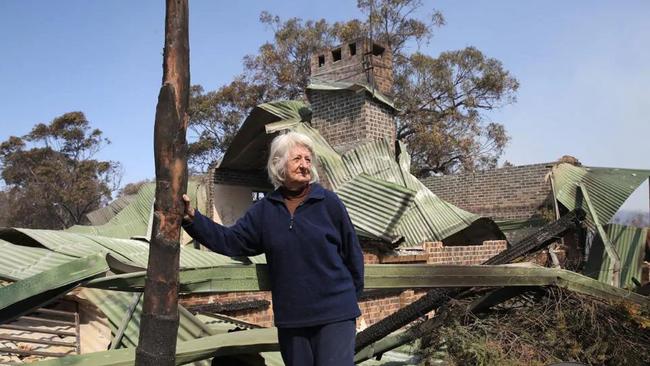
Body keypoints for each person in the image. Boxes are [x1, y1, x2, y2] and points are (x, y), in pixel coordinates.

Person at [181, 131, 364, 366]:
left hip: (335, 315)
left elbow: (353, 253)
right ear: (279, 164)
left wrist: (349, 300)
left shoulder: (329, 203)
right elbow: (230, 241)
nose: (304, 165)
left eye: (308, 159)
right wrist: (192, 219)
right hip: (292, 319)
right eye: (297, 159)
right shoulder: (265, 210)